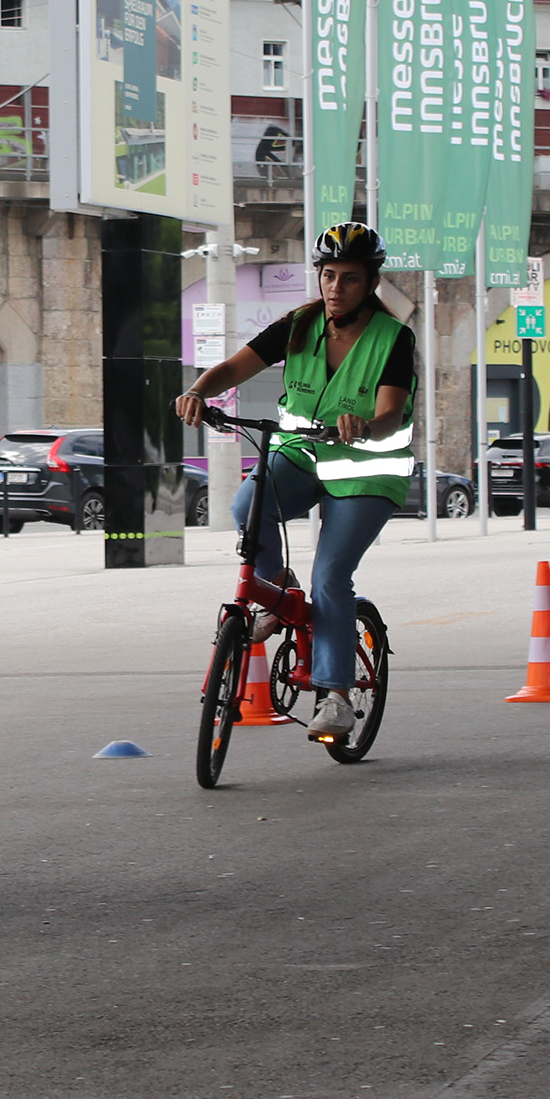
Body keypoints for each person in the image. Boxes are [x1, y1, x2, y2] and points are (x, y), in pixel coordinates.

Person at [177, 221, 415, 741]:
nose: (335, 287)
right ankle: (280, 586)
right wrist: (198, 390)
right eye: (328, 275)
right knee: (247, 508)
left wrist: (366, 426)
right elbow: (235, 368)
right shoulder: (299, 323)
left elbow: (392, 414)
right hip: (302, 455)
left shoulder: (393, 337)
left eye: (349, 278)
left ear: (370, 282)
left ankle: (335, 696)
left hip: (365, 473)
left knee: (331, 576)